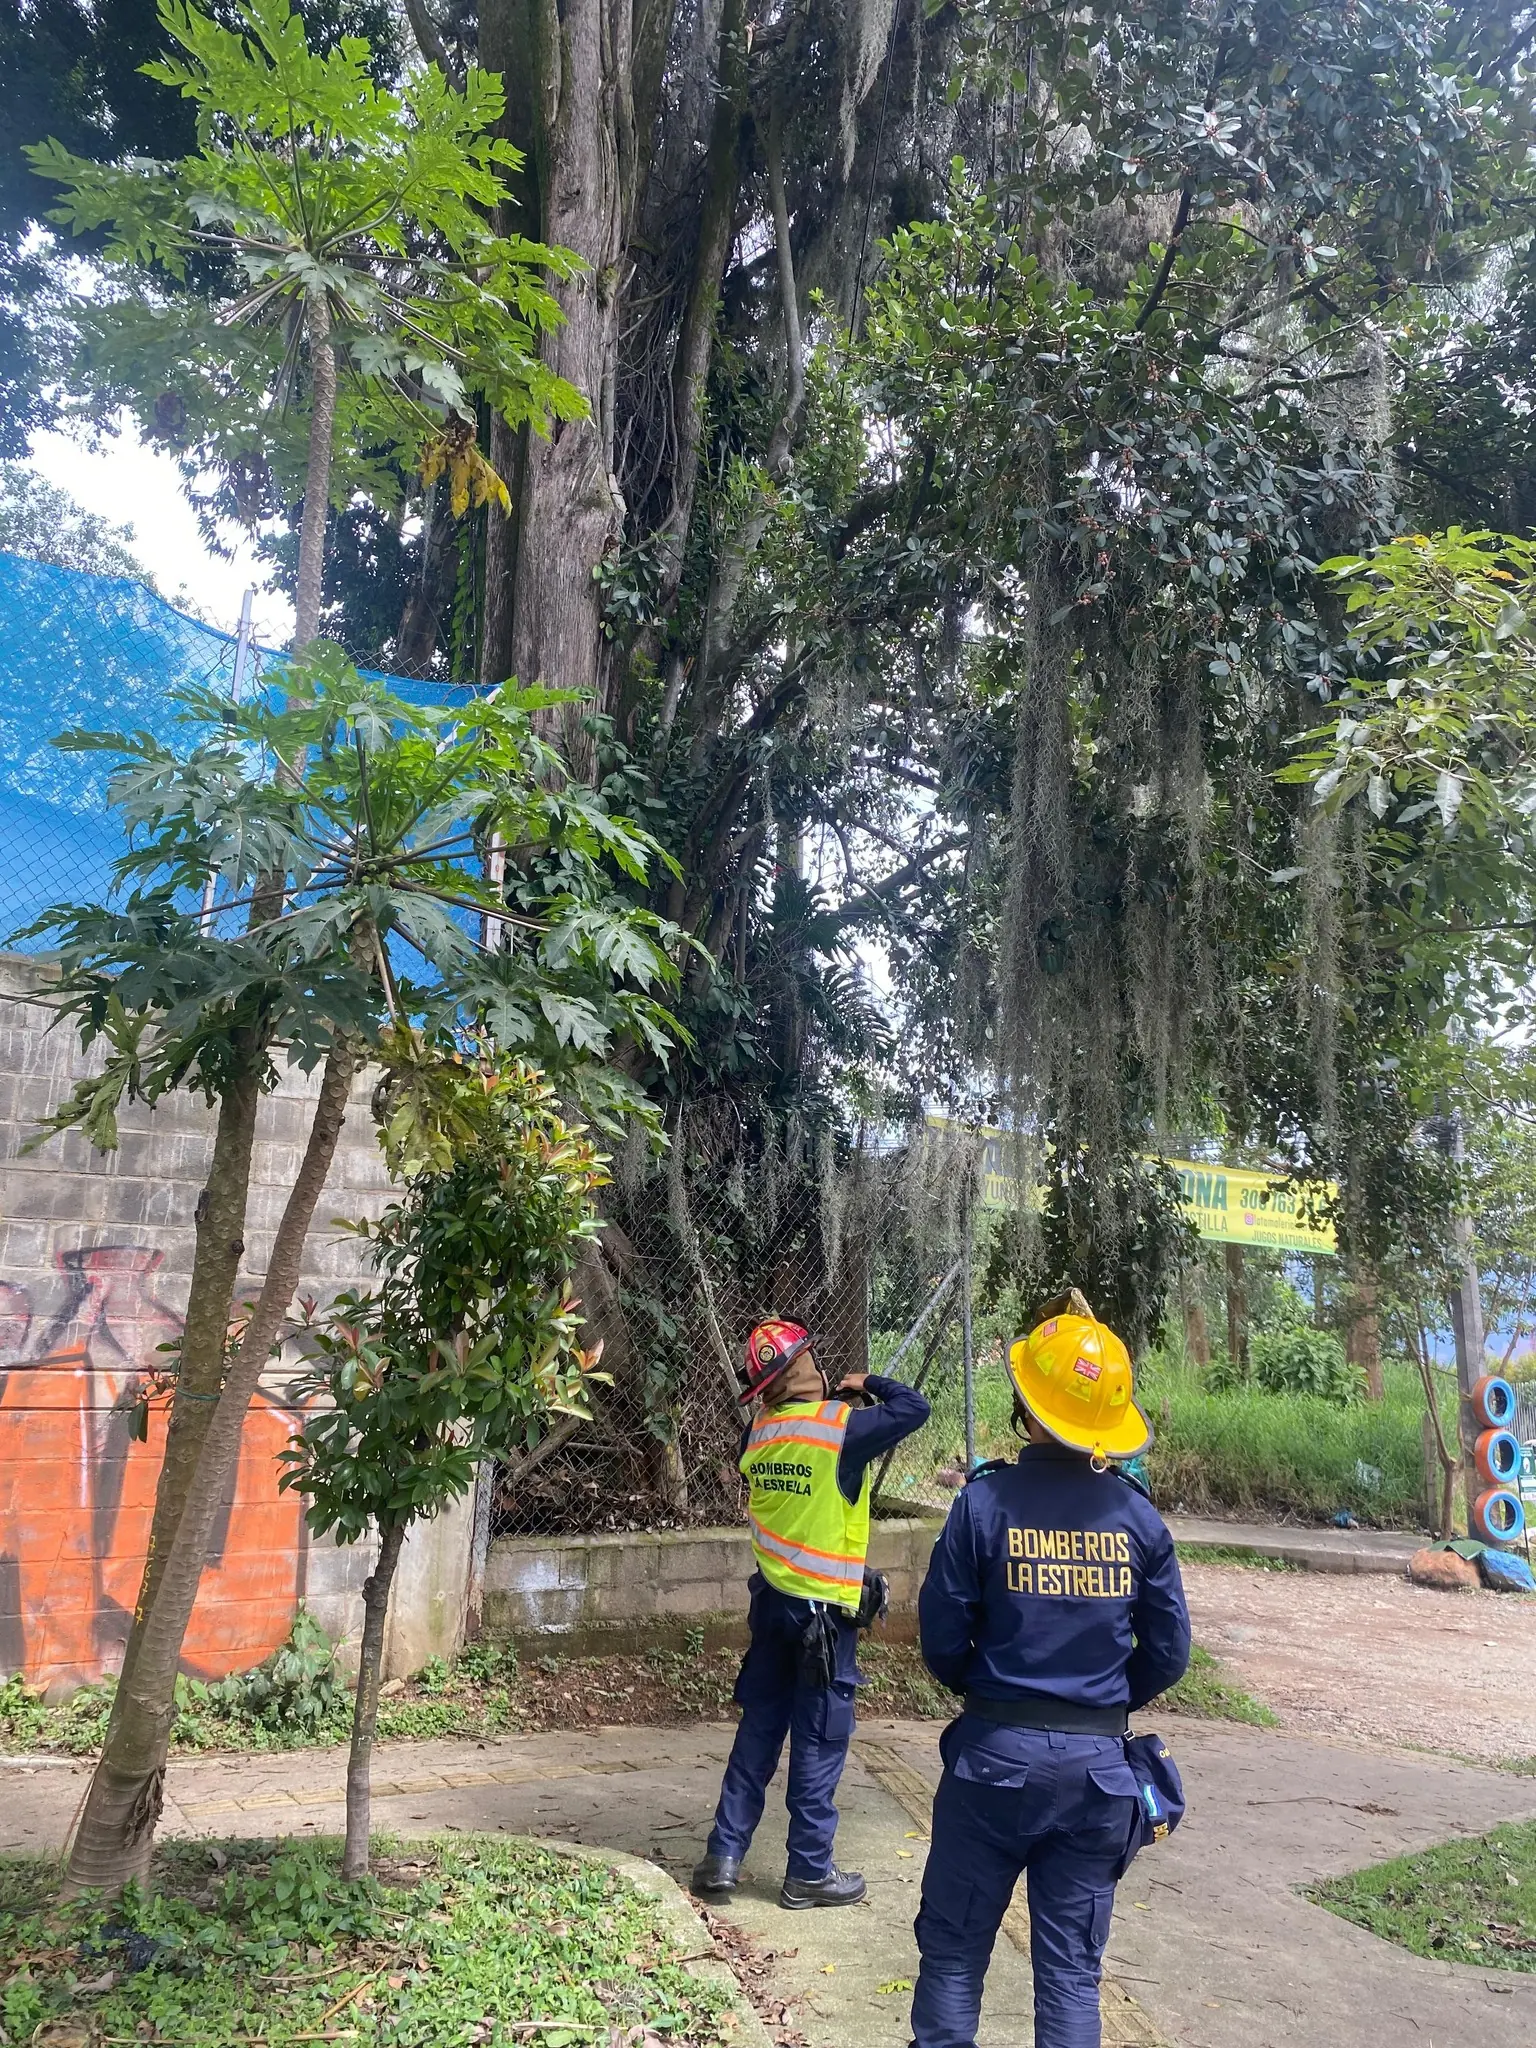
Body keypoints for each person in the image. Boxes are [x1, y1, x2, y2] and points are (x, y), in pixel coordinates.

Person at [909, 1289, 1191, 2048]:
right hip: (1099, 1777)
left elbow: (940, 1638)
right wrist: (1099, 1709)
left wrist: (993, 1692)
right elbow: (1169, 1653)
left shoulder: (981, 1506)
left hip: (992, 1763)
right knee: (1070, 1973)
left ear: (1025, 1405)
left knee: (955, 1953)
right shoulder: (1140, 1521)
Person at [693, 1316, 930, 1909]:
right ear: (807, 1368)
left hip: (771, 1609)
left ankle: (722, 1857)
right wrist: (863, 1380)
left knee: (759, 1734)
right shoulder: (842, 1428)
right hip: (824, 1622)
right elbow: (913, 1407)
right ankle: (809, 1872)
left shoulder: (760, 1433)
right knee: (819, 1743)